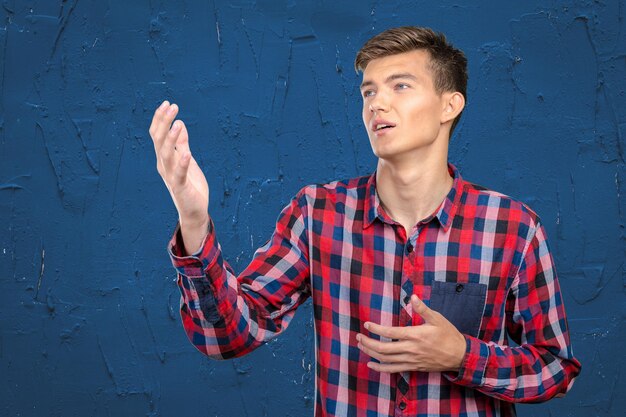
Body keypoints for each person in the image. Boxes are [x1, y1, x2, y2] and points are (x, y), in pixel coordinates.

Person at [149, 26, 581, 417]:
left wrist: (461, 355)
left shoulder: (512, 228)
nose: (378, 103)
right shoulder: (317, 213)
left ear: (450, 105)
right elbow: (227, 335)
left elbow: (557, 370)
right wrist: (194, 217)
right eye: (368, 91)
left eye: (401, 86)